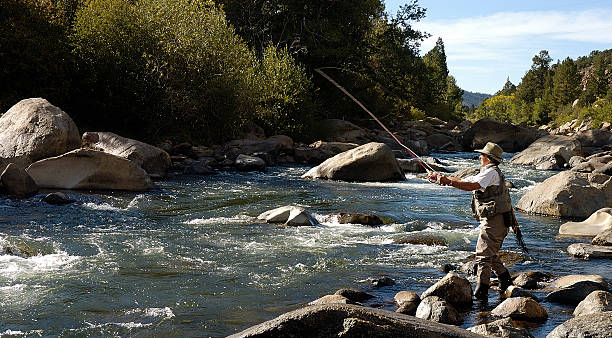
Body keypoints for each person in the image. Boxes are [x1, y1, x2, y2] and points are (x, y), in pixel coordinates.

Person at [428, 142, 514, 300]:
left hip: (495, 221)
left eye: (483, 155)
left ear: (488, 158)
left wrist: (449, 182)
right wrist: (443, 178)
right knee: (490, 253)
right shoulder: (487, 172)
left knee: (483, 256)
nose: (480, 157)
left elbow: (471, 185)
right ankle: (506, 281)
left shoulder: (491, 173)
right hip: (495, 220)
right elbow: (464, 179)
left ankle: (482, 293)